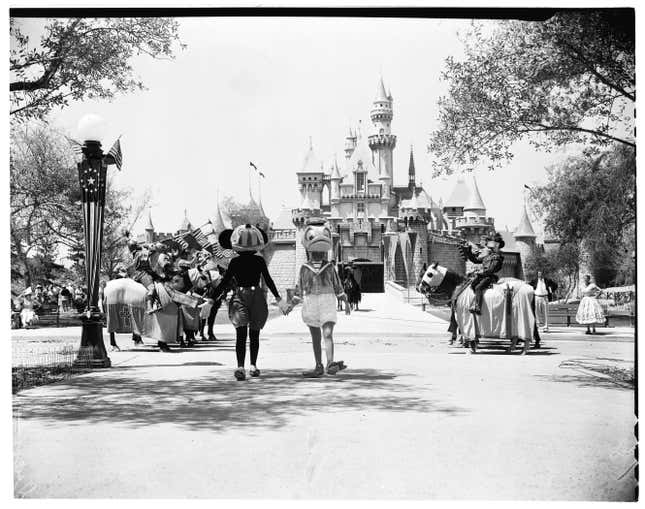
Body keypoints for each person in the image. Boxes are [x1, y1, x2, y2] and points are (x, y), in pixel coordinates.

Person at [207, 224, 290, 381]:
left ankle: (253, 365)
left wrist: (279, 299)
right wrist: (211, 300)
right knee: (241, 332)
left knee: (254, 333)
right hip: (240, 297)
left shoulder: (258, 261)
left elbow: (268, 280)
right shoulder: (235, 262)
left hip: (256, 297)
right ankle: (240, 366)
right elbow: (224, 282)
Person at [288, 220, 350, 377]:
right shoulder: (304, 268)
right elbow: (298, 290)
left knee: (327, 333)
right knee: (316, 337)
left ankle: (330, 363)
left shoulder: (329, 267)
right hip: (311, 303)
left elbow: (337, 286)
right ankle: (318, 365)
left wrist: (345, 301)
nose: (319, 252)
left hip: (327, 301)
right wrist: (290, 305)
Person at [459, 232, 505, 315]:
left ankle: (477, 307)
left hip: (489, 277)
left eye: (491, 241)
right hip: (483, 276)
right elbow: (476, 260)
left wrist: (480, 272)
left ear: (497, 245)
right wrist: (468, 251)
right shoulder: (489, 255)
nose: (488, 242)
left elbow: (491, 269)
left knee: (478, 288)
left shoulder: (497, 257)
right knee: (472, 285)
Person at [126, 239, 165, 314]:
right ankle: (149, 307)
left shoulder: (137, 253)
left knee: (161, 279)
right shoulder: (138, 254)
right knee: (151, 287)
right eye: (136, 245)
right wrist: (152, 246)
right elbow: (151, 251)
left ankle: (158, 301)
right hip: (140, 274)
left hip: (145, 272)